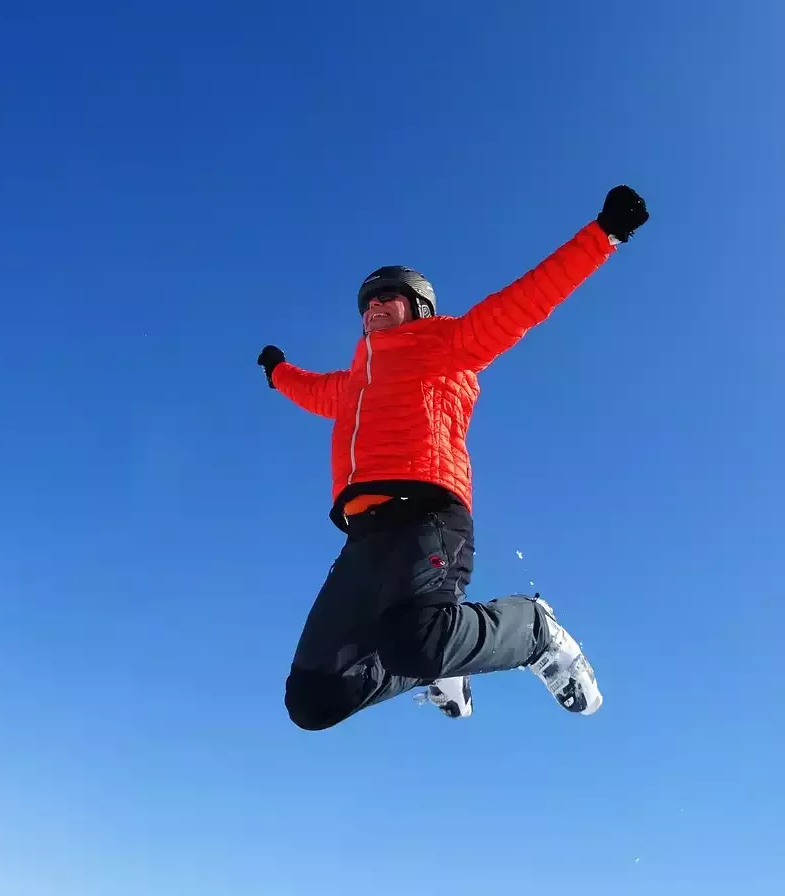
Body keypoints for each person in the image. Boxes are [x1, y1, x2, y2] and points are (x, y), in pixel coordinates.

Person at [257, 185, 649, 731]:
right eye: (367, 302)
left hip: (426, 514)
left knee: (417, 639)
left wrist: (601, 236)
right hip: (364, 535)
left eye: (386, 297)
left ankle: (533, 629)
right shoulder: (353, 386)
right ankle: (438, 667)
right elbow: (310, 391)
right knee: (313, 699)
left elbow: (521, 304)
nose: (373, 307)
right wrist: (278, 373)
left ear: (416, 307)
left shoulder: (442, 346)